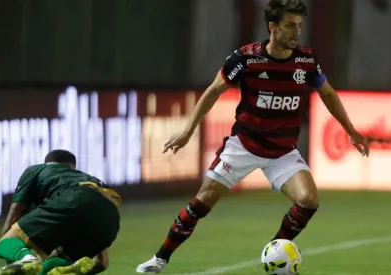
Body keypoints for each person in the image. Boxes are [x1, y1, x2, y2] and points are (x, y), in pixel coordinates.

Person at [136, 0, 369, 273]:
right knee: (201, 202)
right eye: (290, 26)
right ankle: (160, 258)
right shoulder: (246, 59)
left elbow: (327, 93)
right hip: (243, 146)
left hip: (282, 152)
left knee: (309, 200)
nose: (297, 32)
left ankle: (275, 249)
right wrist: (188, 130)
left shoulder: (306, 61)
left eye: (300, 26)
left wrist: (351, 131)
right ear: (272, 27)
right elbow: (213, 91)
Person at [0, 149, 121, 275]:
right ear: (72, 167)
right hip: (111, 217)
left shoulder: (37, 170)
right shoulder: (88, 179)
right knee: (53, 261)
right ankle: (65, 272)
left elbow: (15, 212)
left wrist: (9, 249)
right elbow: (101, 263)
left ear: (48, 163)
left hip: (72, 199)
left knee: (3, 243)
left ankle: (27, 260)